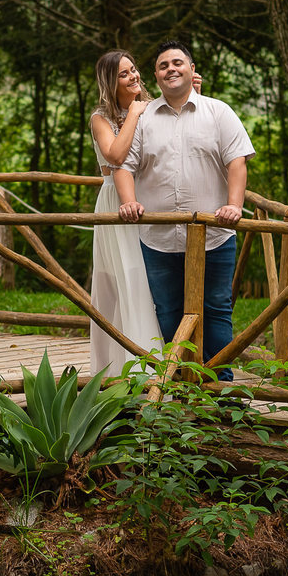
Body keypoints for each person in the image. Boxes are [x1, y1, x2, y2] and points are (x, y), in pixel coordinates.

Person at [114, 40, 254, 382]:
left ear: (192, 71)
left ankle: (220, 388)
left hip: (215, 235)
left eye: (178, 63)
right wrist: (128, 201)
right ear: (157, 78)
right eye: (163, 66)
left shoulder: (218, 111)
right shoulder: (144, 119)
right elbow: (123, 166)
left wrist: (235, 205)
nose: (170, 69)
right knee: (168, 312)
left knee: (217, 310)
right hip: (158, 238)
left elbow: (237, 161)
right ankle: (176, 388)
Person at [87, 51, 203, 378]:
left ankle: (158, 366)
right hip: (117, 202)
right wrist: (135, 114)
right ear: (112, 82)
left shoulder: (150, 107)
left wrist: (193, 92)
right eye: (124, 74)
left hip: (149, 200)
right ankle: (124, 371)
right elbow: (115, 155)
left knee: (152, 282)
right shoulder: (101, 118)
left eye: (134, 69)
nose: (134, 76)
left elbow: (182, 131)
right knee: (127, 279)